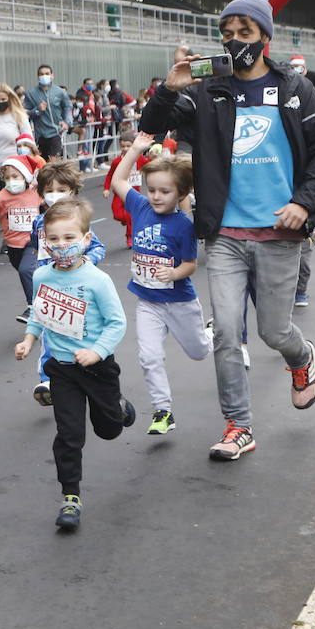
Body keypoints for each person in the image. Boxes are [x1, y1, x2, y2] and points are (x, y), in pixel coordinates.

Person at [139, 0, 315, 461]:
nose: (234, 40)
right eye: (226, 33)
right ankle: (238, 427)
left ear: (265, 37)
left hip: (280, 234)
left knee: (274, 332)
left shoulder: (296, 89)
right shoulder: (206, 91)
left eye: (244, 32)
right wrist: (169, 88)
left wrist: (304, 204)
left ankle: (302, 357)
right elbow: (151, 128)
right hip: (224, 234)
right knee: (227, 332)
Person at [13, 198, 134, 531]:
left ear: (86, 238)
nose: (61, 245)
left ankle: (119, 407)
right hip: (62, 369)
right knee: (69, 434)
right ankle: (70, 496)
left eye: (69, 238)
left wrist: (97, 351)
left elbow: (117, 322)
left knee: (108, 429)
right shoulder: (41, 276)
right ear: (44, 240)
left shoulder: (97, 280)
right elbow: (39, 313)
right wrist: (28, 340)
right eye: (54, 238)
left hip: (98, 368)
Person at [109, 133, 210, 435]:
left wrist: (174, 274)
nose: (155, 196)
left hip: (180, 302)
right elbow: (118, 182)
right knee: (149, 356)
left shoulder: (184, 226)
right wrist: (135, 150)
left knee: (199, 352)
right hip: (148, 302)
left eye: (164, 191)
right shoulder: (140, 207)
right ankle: (163, 411)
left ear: (181, 193)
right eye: (151, 189)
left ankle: (213, 331)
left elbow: (191, 264)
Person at [25, 161, 106, 403]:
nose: (55, 195)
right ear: (41, 193)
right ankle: (47, 381)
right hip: (48, 287)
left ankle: (94, 377)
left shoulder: (77, 222)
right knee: (48, 332)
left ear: (73, 192)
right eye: (49, 190)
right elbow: (35, 243)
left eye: (61, 190)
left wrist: (86, 261)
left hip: (75, 287)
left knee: (79, 333)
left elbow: (98, 248)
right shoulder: (39, 222)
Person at [0, 155, 43, 313]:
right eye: (7, 178)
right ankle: (43, 300)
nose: (11, 181)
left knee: (26, 270)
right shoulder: (1, 196)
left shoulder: (35, 192)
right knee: (26, 272)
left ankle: (32, 308)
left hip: (32, 242)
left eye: (15, 176)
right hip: (13, 245)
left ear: (25, 176)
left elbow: (51, 204)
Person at [102, 131, 155, 248]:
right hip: (119, 193)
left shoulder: (139, 159)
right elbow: (110, 175)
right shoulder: (116, 161)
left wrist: (152, 158)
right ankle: (125, 220)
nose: (125, 149)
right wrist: (106, 188)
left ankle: (129, 237)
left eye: (128, 146)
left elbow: (148, 166)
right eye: (123, 146)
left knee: (130, 216)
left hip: (133, 193)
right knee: (117, 214)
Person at [23, 65, 73, 161]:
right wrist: (37, 110)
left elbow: (68, 107)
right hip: (40, 135)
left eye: (47, 74)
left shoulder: (59, 92)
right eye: (41, 74)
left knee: (53, 162)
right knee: (43, 163)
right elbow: (25, 113)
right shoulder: (31, 93)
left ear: (52, 75)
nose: (44, 76)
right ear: (38, 76)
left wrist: (67, 122)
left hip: (56, 132)